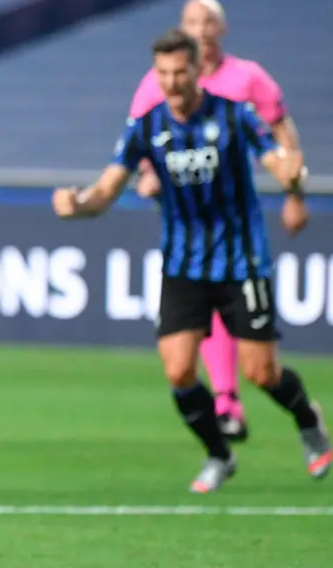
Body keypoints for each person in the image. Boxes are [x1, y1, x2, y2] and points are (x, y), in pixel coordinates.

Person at [51, 28, 330, 493]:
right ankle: (219, 455)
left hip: (242, 262)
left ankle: (307, 419)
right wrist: (78, 204)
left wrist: (291, 179)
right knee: (179, 370)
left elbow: (277, 158)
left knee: (262, 373)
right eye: (163, 73)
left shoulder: (234, 116)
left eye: (180, 72)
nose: (172, 83)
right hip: (184, 266)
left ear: (198, 69)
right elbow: (106, 191)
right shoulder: (146, 126)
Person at [128, 0, 306, 442]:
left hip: (234, 226)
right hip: (186, 227)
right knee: (184, 346)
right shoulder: (158, 81)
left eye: (208, 21)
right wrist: (147, 176)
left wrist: (293, 189)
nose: (201, 29)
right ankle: (225, 404)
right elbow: (138, 142)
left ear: (222, 29)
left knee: (257, 360)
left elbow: (281, 133)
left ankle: (236, 400)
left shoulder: (247, 80)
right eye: (192, 22)